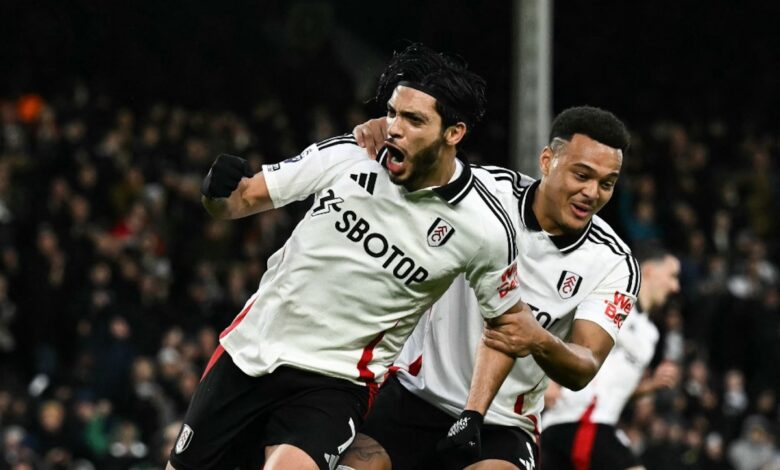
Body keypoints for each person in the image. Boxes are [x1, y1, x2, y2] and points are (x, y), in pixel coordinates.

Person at [167, 44, 528, 470]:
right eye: (392, 113)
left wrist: (475, 411)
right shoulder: (349, 155)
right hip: (250, 350)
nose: (394, 128)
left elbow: (506, 322)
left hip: (336, 379)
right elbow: (241, 199)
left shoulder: (483, 228)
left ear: (454, 133)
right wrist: (216, 192)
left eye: (414, 120)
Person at [339, 105, 637, 470]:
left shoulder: (614, 264)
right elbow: (412, 163)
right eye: (582, 175)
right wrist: (388, 132)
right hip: (415, 394)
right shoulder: (481, 190)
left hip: (502, 426)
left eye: (606, 183)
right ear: (547, 161)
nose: (592, 192)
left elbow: (585, 365)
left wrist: (538, 339)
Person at [541, 245, 681, 470]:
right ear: (649, 271)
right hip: (575, 421)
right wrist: (547, 381)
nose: (676, 286)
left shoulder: (650, 334)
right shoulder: (610, 303)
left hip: (597, 424)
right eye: (672, 276)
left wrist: (649, 386)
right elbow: (555, 330)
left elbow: (615, 391)